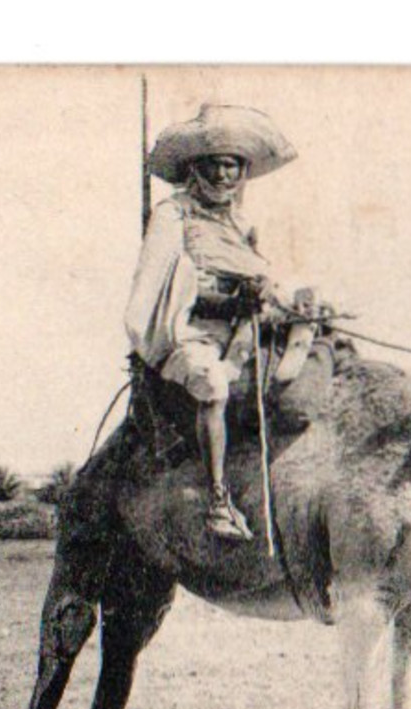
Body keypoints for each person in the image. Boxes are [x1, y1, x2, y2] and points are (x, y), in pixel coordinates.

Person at [125, 104, 299, 542]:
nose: (224, 175)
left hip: (246, 329)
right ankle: (217, 500)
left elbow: (261, 272)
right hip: (192, 331)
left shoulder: (242, 222)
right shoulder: (173, 215)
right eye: (215, 165)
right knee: (213, 384)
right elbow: (158, 285)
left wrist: (266, 293)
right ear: (195, 168)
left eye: (232, 165)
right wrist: (227, 299)